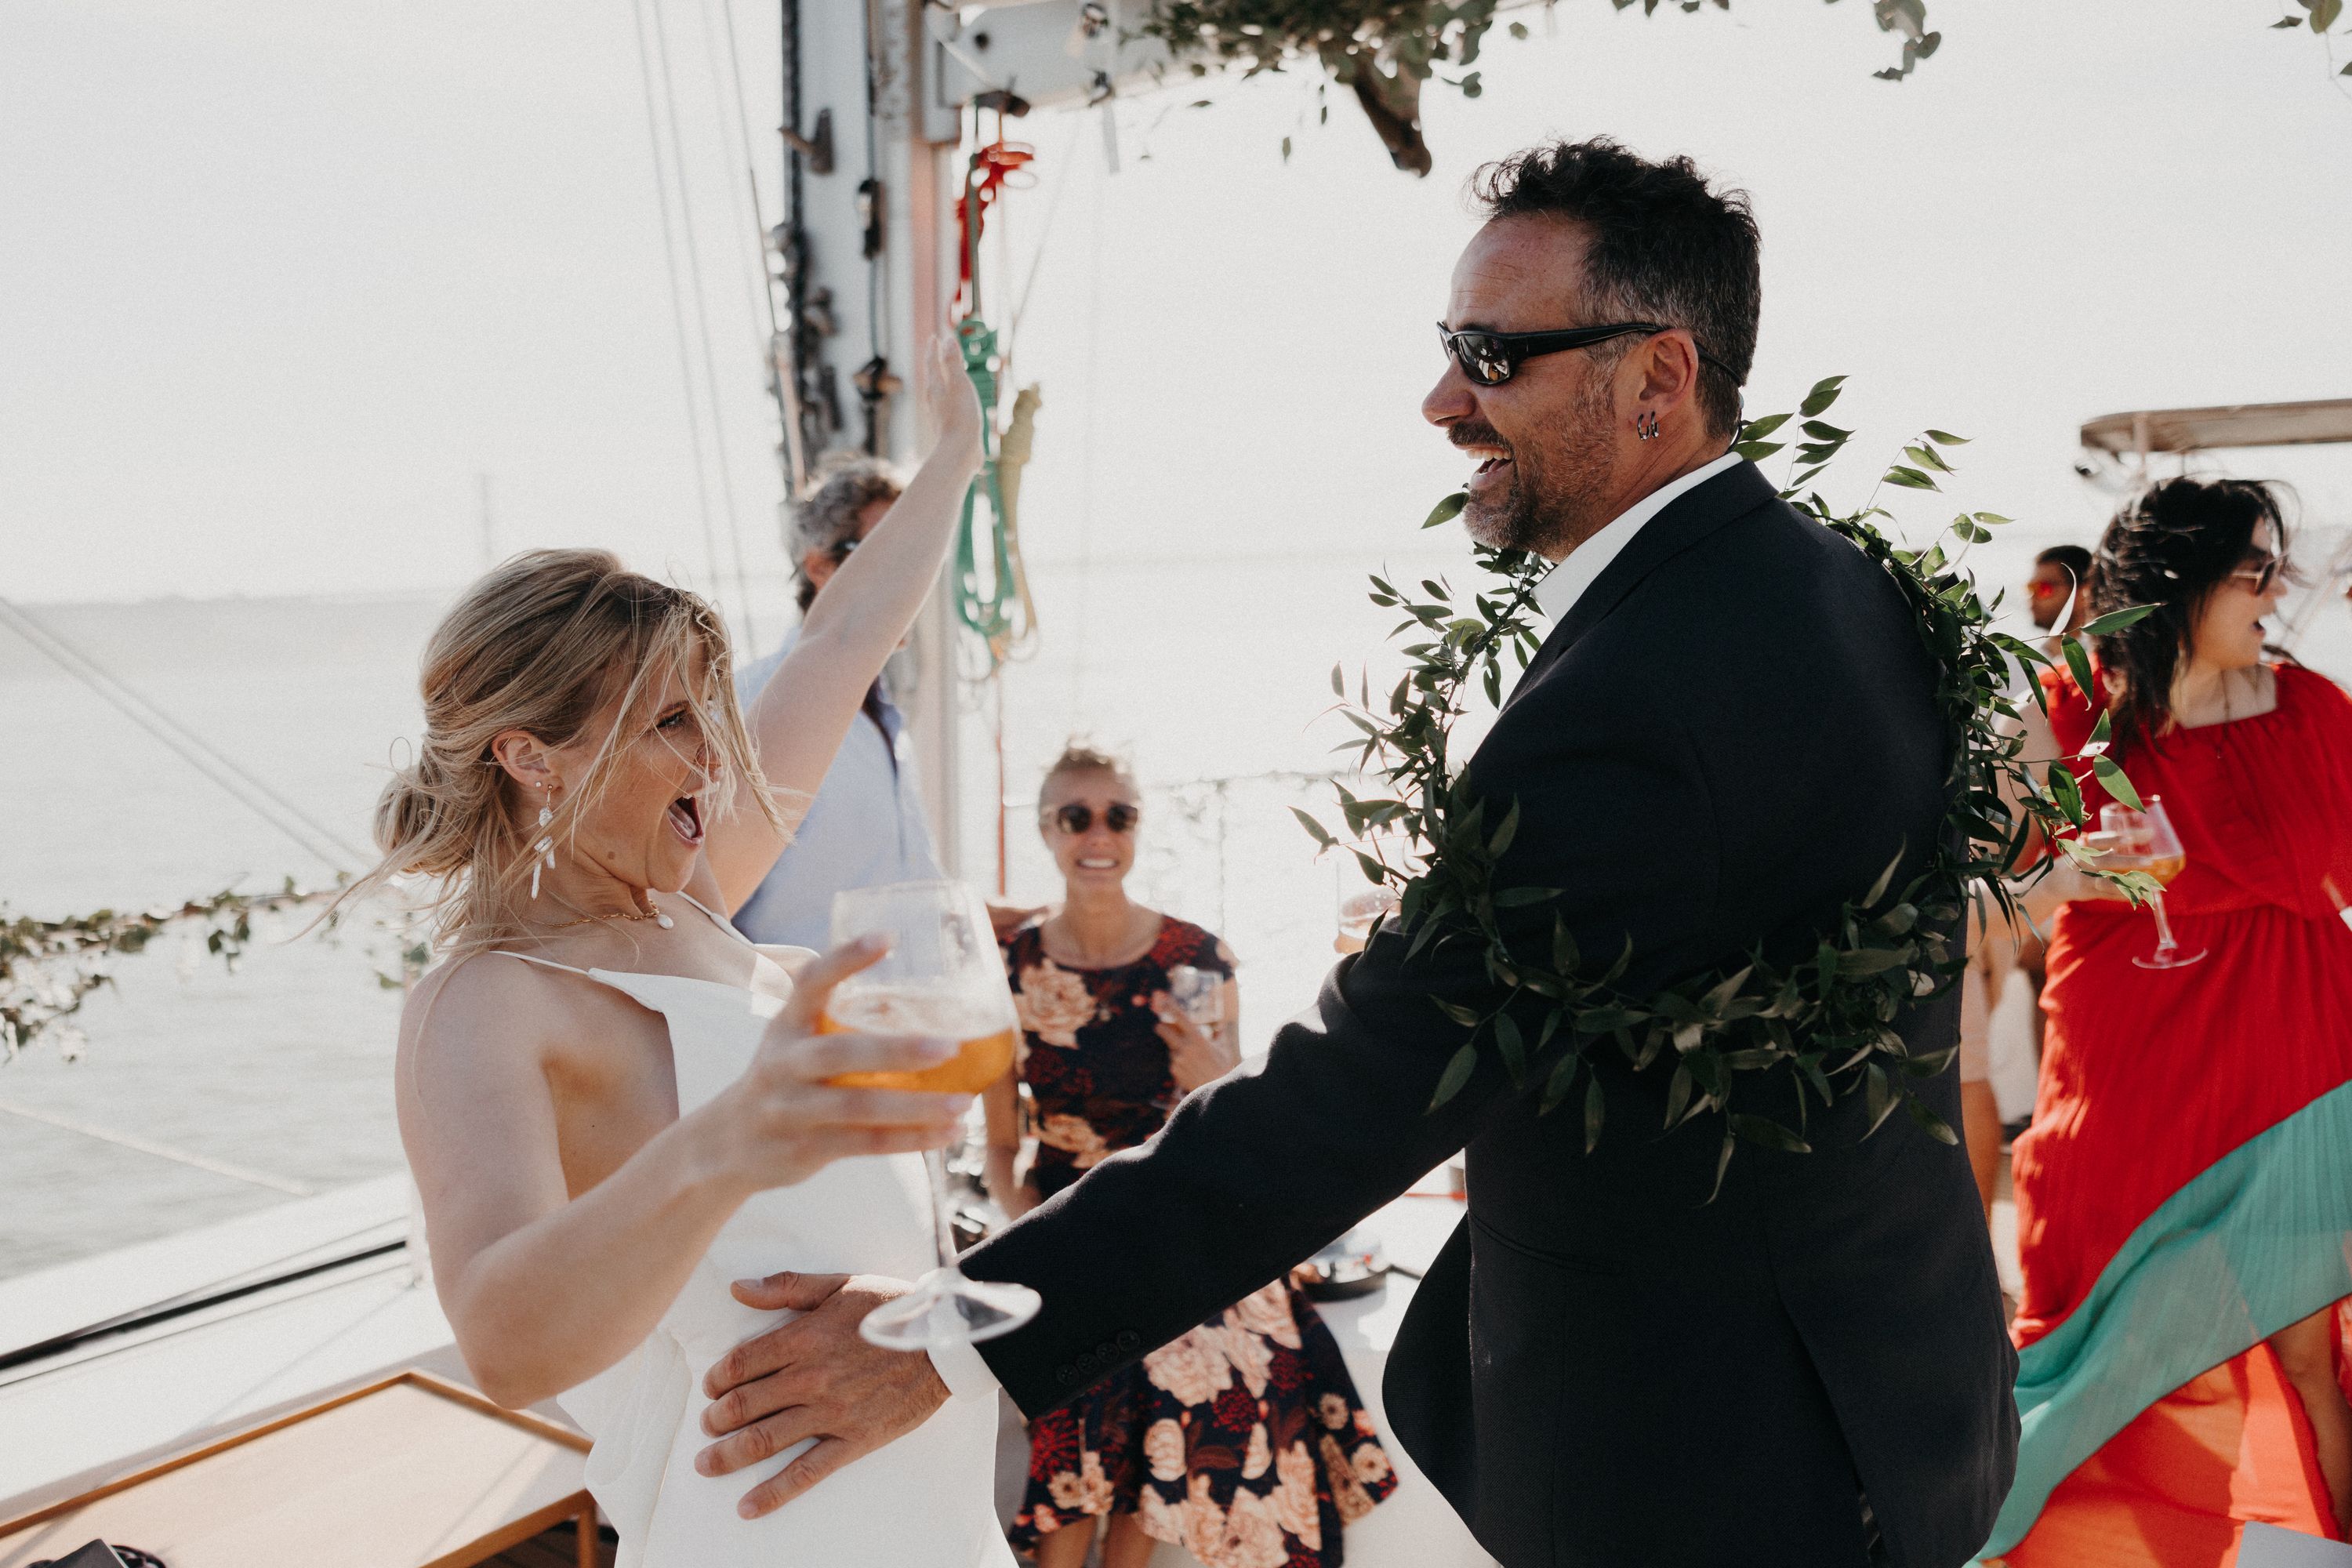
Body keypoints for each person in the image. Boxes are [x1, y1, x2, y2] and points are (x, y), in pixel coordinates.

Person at [695, 138, 2015, 1568]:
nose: (1442, 399)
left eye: (1492, 355)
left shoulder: (1638, 694)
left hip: (1707, 1462)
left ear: (1658, 379)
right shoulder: (1843, 591)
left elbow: (1364, 1085)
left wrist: (961, 1335)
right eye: (1450, 347)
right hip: (1890, 1389)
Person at [362, 336, 1019, 1566]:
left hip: (933, 1522)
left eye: (709, 712)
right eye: (672, 720)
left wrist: (959, 455)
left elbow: (842, 640)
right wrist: (727, 1141)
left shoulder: (695, 898)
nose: (718, 758)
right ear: (531, 755)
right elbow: (502, 1341)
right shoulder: (490, 1002)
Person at [1985, 477, 2352, 1565]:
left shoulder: (2315, 710)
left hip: (2294, 1078)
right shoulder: (2061, 711)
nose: (2275, 592)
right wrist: (2074, 875)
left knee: (2308, 1357)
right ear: (2179, 583)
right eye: (2253, 571)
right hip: (2129, 1086)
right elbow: (1965, 892)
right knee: (2112, 1345)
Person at [985, 743, 1395, 1567]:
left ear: (1137, 828)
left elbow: (1229, 1127)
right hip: (1069, 1215)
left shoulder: (1198, 958)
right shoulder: (1010, 968)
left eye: (1119, 815)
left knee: (1168, 1357)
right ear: (1046, 831)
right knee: (1101, 1367)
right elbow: (1000, 1144)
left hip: (1178, 1206)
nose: (1099, 834)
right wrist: (1033, 1241)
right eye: (1076, 816)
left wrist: (1217, 1075)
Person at [731, 458, 942, 951]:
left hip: (906, 994)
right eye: (887, 555)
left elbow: (892, 884)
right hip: (808, 998)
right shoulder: (750, 707)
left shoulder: (883, 713)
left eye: (917, 557)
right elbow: (705, 908)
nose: (911, 581)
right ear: (821, 568)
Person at [2027, 544, 2093, 648]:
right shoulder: (2018, 656)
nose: (2032, 596)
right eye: (2030, 588)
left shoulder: (2107, 655)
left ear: (2084, 592)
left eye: (2044, 588)